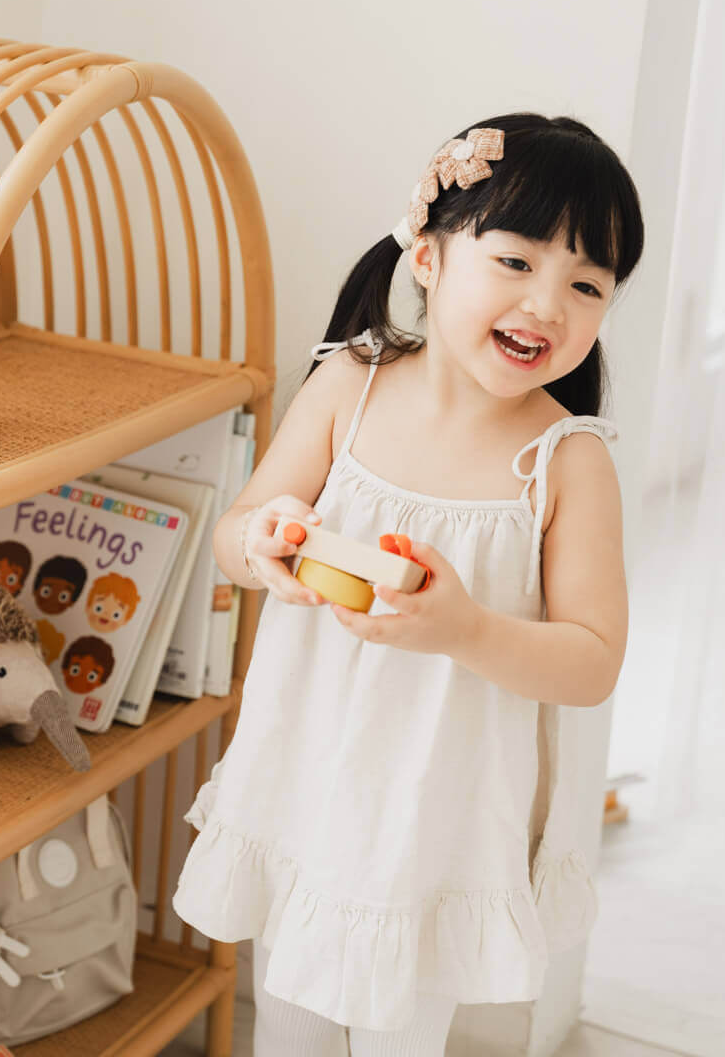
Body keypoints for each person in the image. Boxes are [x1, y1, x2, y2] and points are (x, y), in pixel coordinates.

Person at [172, 113, 644, 1057]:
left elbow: (592, 664)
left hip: (448, 813)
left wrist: (465, 627)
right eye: (516, 262)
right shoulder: (351, 384)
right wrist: (261, 543)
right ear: (427, 258)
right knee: (294, 1022)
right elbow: (237, 534)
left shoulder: (567, 462)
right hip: (312, 779)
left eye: (586, 284)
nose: (548, 306)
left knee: (416, 1034)